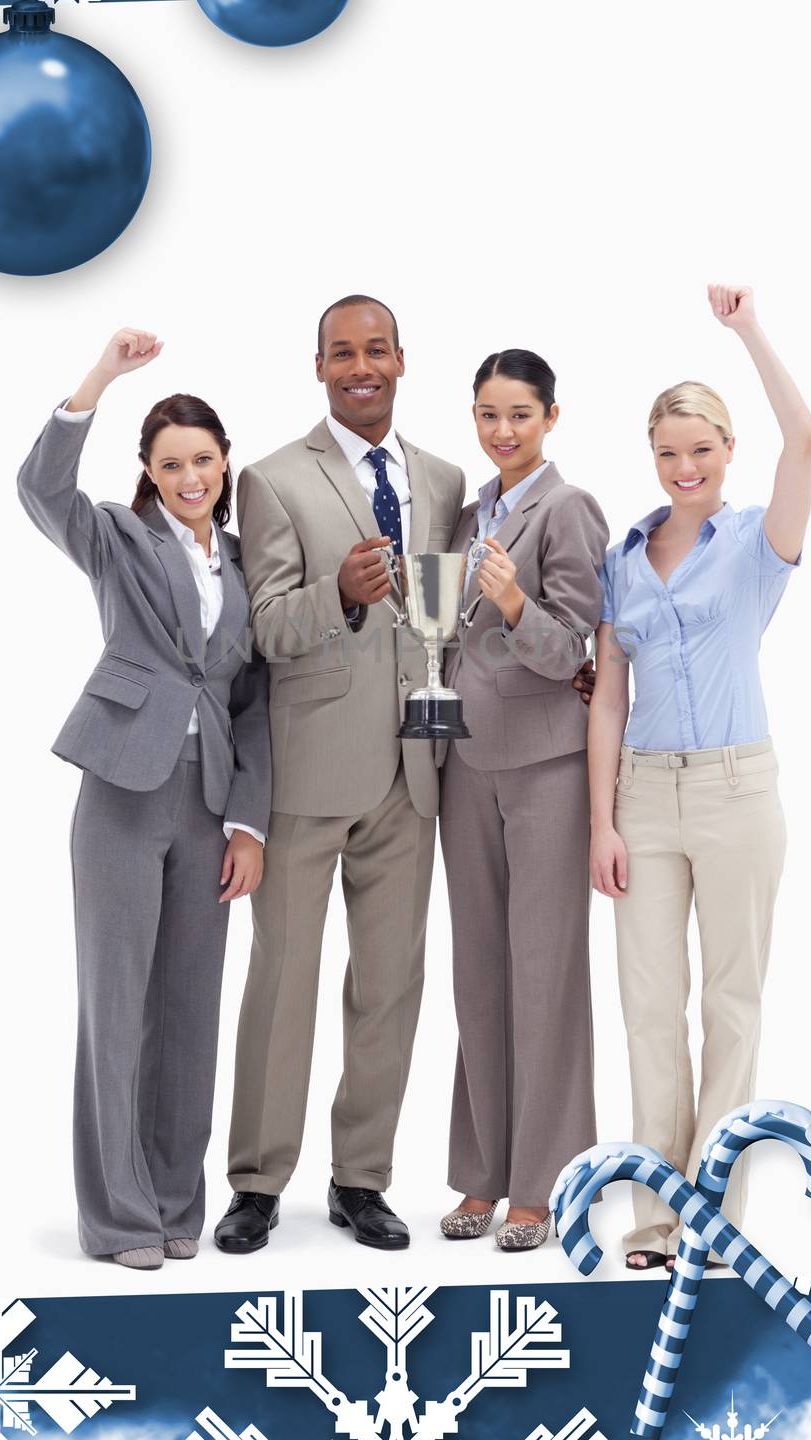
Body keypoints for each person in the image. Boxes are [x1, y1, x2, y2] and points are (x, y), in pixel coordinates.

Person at [17, 327, 271, 1269]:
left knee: (189, 1012)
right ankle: (118, 1219)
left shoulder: (247, 563)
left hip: (209, 806)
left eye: (203, 459)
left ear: (224, 463)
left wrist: (249, 822)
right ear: (150, 472)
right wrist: (101, 380)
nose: (190, 475)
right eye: (171, 463)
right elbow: (40, 490)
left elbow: (252, 701)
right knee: (115, 1006)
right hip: (123, 787)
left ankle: (173, 1204)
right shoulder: (117, 538)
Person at [216, 294, 465, 1253]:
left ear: (401, 359)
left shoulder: (442, 480)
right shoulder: (274, 481)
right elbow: (265, 625)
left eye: (376, 350)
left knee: (392, 985)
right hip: (309, 777)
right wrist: (340, 594)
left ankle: (361, 1179)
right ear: (317, 366)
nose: (360, 366)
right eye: (340, 353)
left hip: (414, 770)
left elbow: (448, 615)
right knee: (282, 981)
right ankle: (256, 1183)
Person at [587, 284, 811, 1270]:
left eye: (701, 450)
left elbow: (804, 438)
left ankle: (708, 1216)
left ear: (724, 453)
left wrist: (745, 330)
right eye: (668, 452)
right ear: (653, 458)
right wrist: (600, 821)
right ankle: (653, 1218)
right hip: (642, 795)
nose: (684, 467)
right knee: (648, 1011)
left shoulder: (756, 545)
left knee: (731, 1004)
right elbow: (604, 694)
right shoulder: (621, 558)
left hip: (735, 793)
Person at [436, 349, 609, 1251]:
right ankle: (482, 1175)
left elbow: (575, 650)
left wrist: (509, 601)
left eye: (519, 415)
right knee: (478, 975)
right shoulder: (467, 515)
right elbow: (442, 647)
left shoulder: (567, 508)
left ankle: (541, 1186)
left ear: (549, 417)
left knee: (544, 975)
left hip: (545, 764)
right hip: (463, 767)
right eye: (487, 414)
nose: (501, 431)